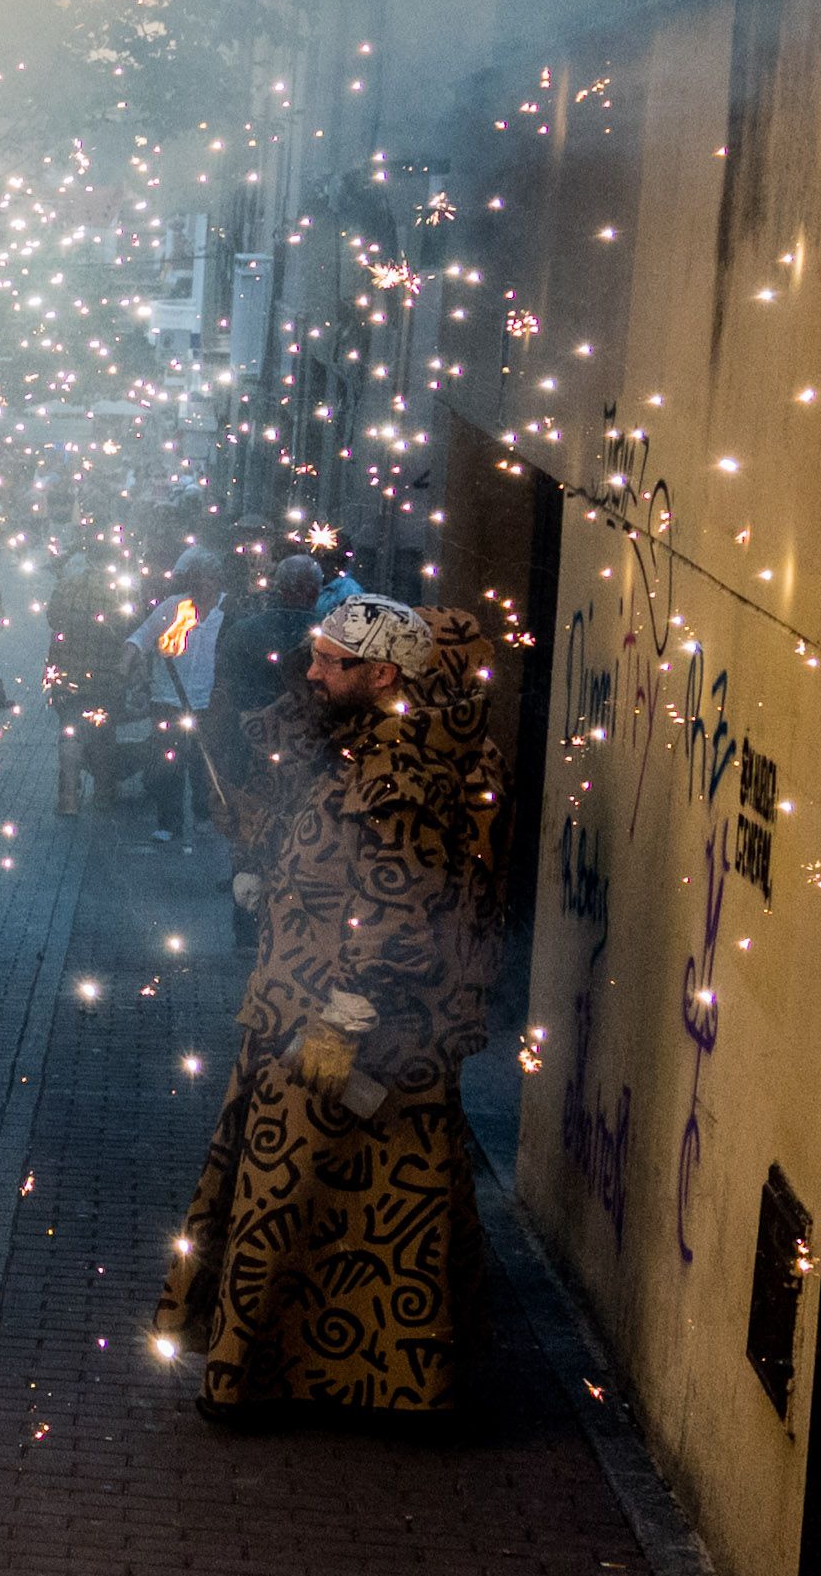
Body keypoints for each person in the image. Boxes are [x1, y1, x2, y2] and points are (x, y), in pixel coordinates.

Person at [157, 597, 506, 1423]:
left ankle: (275, 1377)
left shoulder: (402, 772)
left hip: (344, 1024)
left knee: (292, 1197)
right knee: (324, 1205)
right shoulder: (357, 747)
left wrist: (342, 1024)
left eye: (329, 663)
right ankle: (360, 1377)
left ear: (382, 674)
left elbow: (396, 906)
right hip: (300, 1005)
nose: (311, 673)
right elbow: (305, 834)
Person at [128, 541, 227, 848]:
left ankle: (202, 815)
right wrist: (130, 666)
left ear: (217, 581)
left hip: (208, 705)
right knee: (168, 763)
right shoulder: (173, 606)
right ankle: (168, 821)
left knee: (203, 764)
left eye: (208, 579)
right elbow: (140, 638)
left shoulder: (228, 612)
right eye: (196, 579)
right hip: (167, 700)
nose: (201, 586)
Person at [42, 530, 136, 821]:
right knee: (102, 732)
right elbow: (130, 626)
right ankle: (104, 793)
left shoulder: (67, 584)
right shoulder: (119, 588)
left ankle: (68, 797)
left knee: (70, 732)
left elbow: (52, 618)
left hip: (65, 670)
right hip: (105, 674)